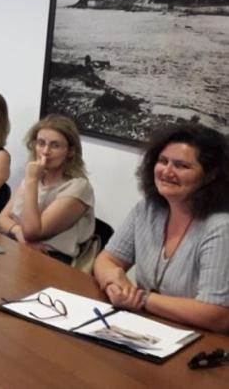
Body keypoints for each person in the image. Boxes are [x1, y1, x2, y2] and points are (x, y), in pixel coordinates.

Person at [94, 124, 229, 332]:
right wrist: (114, 283)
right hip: (147, 326)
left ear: (210, 175)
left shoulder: (221, 227)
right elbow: (107, 259)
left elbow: (216, 315)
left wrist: (141, 298)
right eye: (163, 161)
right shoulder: (147, 209)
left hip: (198, 339)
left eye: (181, 166)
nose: (167, 171)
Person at [0, 114, 95, 264]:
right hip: (16, 244)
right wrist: (18, 232)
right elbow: (1, 219)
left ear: (70, 151)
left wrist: (31, 181)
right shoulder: (35, 177)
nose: (45, 151)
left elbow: (32, 233)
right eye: (41, 143)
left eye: (55, 146)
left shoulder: (78, 187)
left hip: (50, 258)